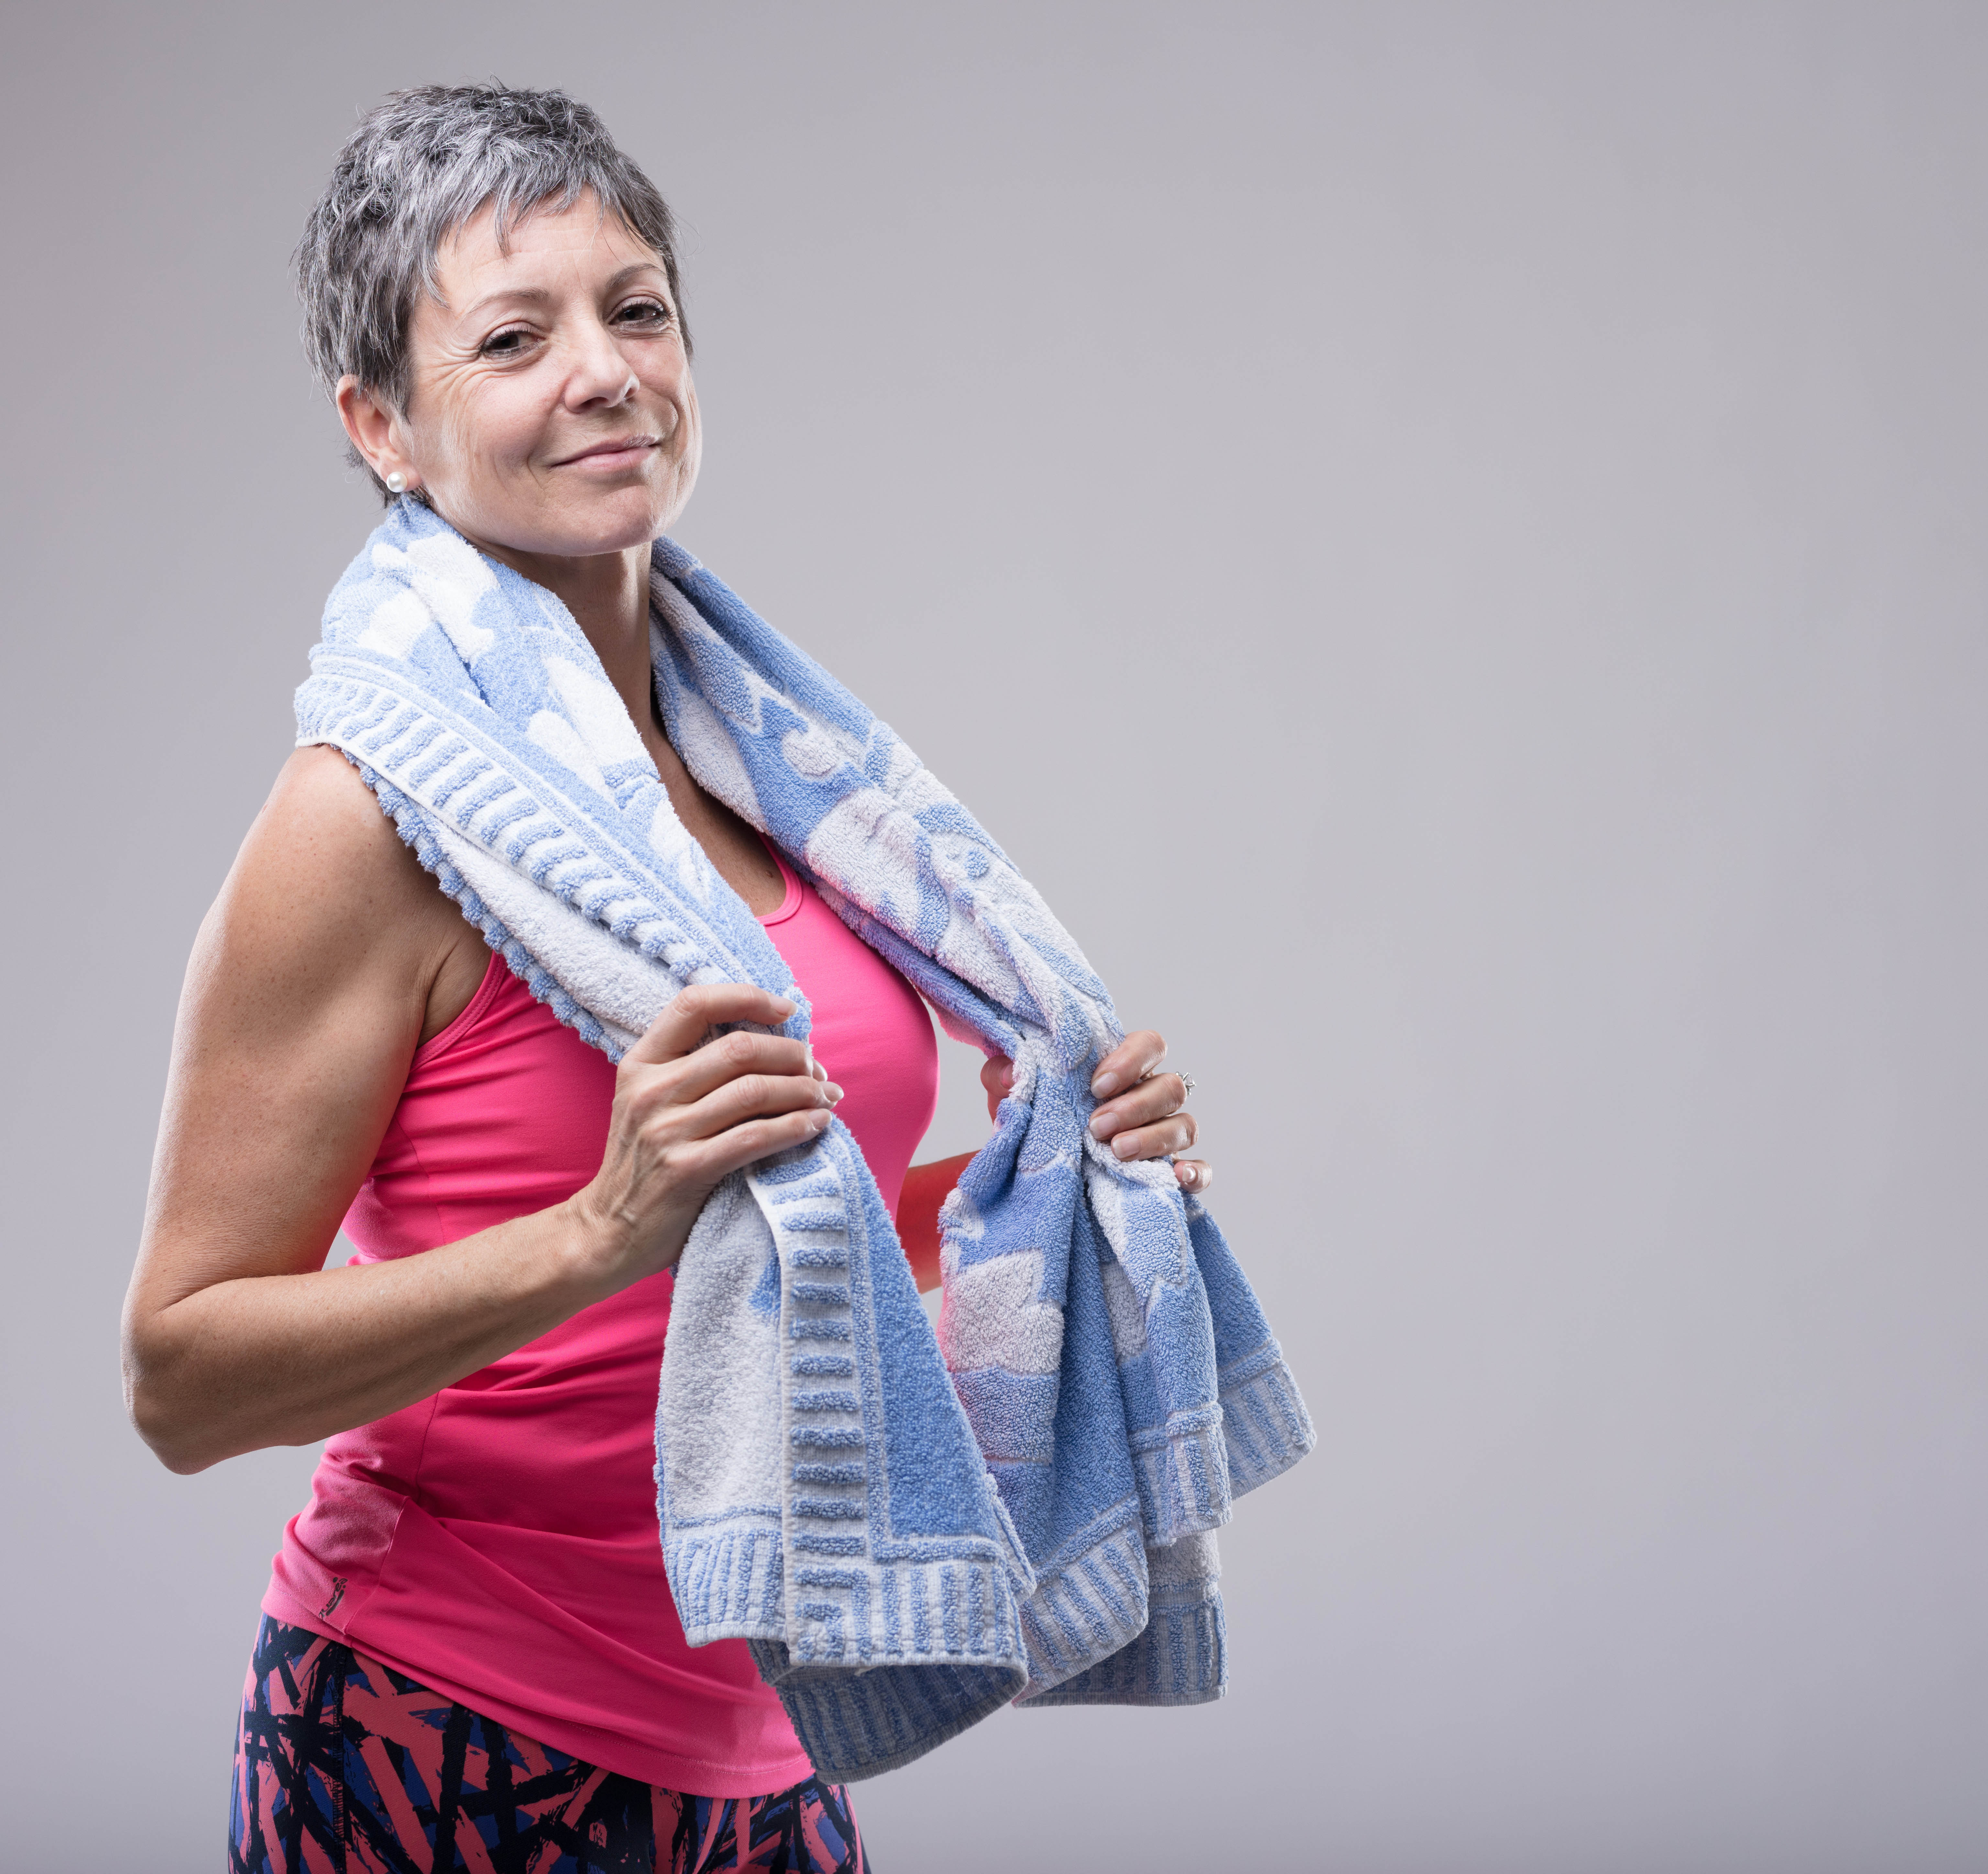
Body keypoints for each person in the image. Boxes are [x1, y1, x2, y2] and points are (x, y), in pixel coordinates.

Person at [122, 85, 1214, 1873]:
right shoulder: (369, 819)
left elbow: (779, 1221)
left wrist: (1044, 1174)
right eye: (513, 338)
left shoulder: (772, 774)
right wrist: (594, 1229)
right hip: (445, 1731)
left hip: (778, 1731)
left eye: (636, 309)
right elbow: (180, 1377)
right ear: (382, 425)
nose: (606, 371)